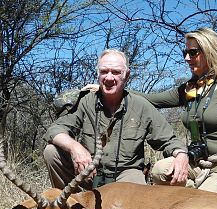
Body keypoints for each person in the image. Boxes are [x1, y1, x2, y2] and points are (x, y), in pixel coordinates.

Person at [81, 28, 217, 199]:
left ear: (209, 51)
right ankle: (196, 196)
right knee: (161, 171)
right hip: (199, 162)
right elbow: (153, 99)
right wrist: (108, 90)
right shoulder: (191, 88)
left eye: (193, 52)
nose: (187, 58)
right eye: (185, 53)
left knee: (202, 206)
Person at [43, 49, 189, 190]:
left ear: (126, 75)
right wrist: (76, 148)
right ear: (98, 74)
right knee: (51, 152)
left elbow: (169, 140)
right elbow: (55, 130)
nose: (109, 78)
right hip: (89, 172)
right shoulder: (84, 101)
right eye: (104, 71)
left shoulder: (141, 105)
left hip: (125, 176)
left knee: (133, 198)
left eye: (116, 72)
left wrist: (181, 155)